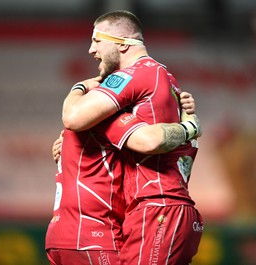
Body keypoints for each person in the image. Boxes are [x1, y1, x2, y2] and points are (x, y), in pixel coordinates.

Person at [60, 10, 203, 265]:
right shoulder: (166, 79)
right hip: (167, 208)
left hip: (158, 208)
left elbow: (73, 117)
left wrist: (79, 87)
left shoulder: (134, 74)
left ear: (123, 43)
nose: (92, 50)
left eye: (97, 41)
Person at [46, 97, 200, 265]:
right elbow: (152, 140)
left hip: (61, 236)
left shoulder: (81, 127)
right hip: (93, 236)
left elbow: (150, 139)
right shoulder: (110, 121)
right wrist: (190, 125)